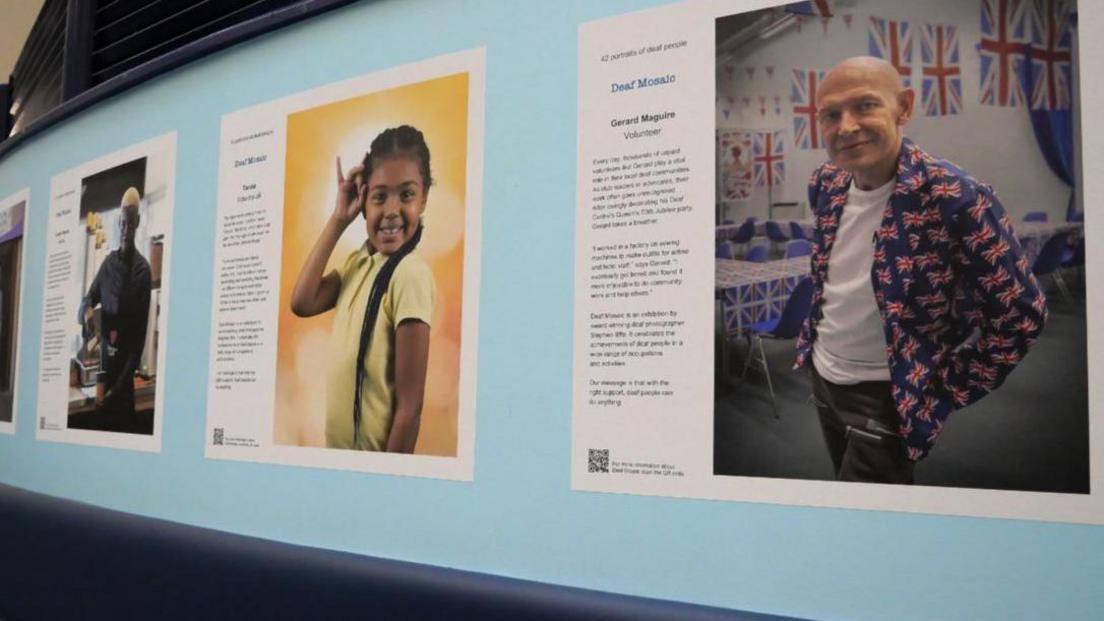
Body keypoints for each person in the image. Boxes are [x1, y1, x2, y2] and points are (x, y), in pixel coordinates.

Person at [793, 57, 1047, 484]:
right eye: (831, 115)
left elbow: (1021, 317)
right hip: (823, 375)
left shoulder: (957, 198)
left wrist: (943, 388)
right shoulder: (827, 182)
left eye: (865, 106)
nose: (847, 126)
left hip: (887, 393)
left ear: (904, 108)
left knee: (871, 523)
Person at [291, 125, 435, 452]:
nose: (391, 211)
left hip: (370, 467)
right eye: (379, 196)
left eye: (407, 194)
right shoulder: (358, 263)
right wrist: (339, 219)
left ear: (424, 197)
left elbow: (410, 408)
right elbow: (302, 301)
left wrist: (386, 482)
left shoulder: (410, 274)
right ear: (363, 199)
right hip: (340, 460)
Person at [78, 187, 152, 430]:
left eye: (130, 223)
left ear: (137, 222)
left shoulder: (143, 272)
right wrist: (88, 310)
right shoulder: (108, 265)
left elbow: (137, 344)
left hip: (123, 385)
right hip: (102, 374)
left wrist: (114, 392)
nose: (125, 229)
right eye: (122, 222)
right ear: (118, 222)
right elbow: (87, 300)